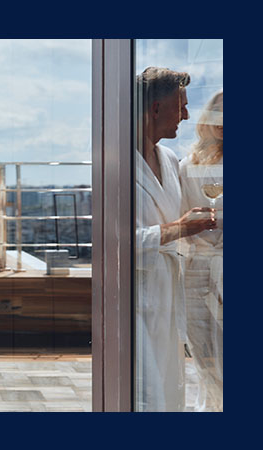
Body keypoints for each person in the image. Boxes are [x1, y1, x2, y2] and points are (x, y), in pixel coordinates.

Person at [135, 67, 216, 411]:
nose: (185, 114)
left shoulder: (169, 159)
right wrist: (181, 229)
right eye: (180, 105)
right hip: (136, 298)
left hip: (169, 294)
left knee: (169, 389)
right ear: (155, 109)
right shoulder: (116, 163)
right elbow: (117, 244)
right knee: (144, 392)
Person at [178, 90, 223, 411]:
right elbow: (178, 219)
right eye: (218, 111)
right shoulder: (187, 165)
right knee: (202, 351)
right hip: (195, 269)